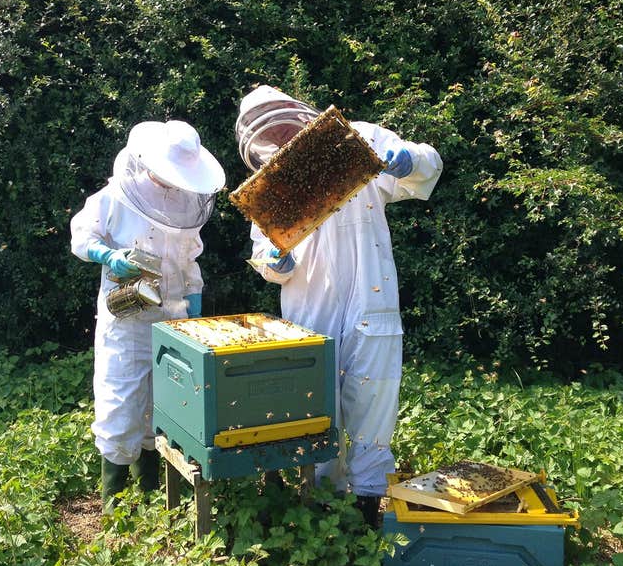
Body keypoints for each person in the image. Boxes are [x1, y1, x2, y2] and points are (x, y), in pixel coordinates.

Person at [235, 85, 442, 527]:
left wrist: (407, 159)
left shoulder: (357, 137)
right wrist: (274, 262)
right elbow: (262, 253)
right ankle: (325, 505)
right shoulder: (270, 182)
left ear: (295, 112)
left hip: (372, 295)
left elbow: (428, 164)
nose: (282, 138)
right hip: (310, 305)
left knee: (373, 401)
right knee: (316, 406)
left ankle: (367, 510)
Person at [71, 119, 225, 514]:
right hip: (126, 319)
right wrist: (108, 256)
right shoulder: (114, 197)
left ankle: (151, 490)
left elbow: (189, 255)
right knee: (120, 404)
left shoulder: (187, 201)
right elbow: (81, 235)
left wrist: (194, 293)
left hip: (172, 318)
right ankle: (114, 506)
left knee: (164, 407)